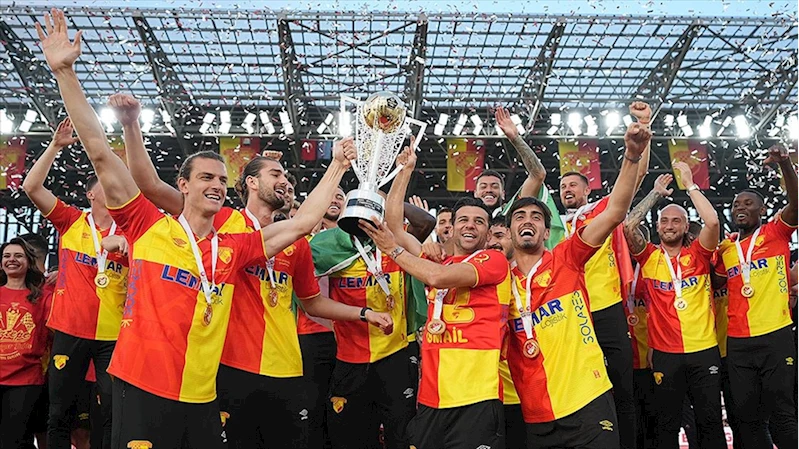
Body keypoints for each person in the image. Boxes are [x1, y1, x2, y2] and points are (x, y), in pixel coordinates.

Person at [35, 9, 356, 448]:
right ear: (182, 185)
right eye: (206, 177)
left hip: (202, 397)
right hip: (142, 385)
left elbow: (301, 224)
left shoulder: (234, 247)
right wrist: (65, 73)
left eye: (222, 179)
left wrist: (337, 166)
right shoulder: (147, 225)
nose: (217, 185)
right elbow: (100, 152)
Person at [109, 92, 392, 449]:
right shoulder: (221, 223)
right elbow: (150, 186)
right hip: (230, 368)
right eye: (276, 174)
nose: (286, 181)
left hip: (287, 367)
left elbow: (311, 300)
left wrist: (363, 313)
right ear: (251, 183)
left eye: (287, 176)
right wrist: (131, 125)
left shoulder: (296, 244)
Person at [503, 121, 649, 449]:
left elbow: (616, 210)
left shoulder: (567, 255)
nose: (527, 221)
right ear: (509, 233)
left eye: (536, 217)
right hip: (537, 412)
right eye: (519, 217)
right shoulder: (498, 281)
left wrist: (631, 155)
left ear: (547, 232)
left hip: (588, 395)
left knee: (623, 391)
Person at [360, 142, 512, 448]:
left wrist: (393, 250)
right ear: (451, 228)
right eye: (463, 220)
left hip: (476, 397)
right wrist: (405, 172)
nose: (470, 226)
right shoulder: (436, 259)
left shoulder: (493, 261)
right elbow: (395, 227)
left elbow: (436, 278)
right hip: (432, 398)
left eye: (479, 222)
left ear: (487, 233)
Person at [22, 115, 128, 449]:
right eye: (106, 182)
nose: (114, 187)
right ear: (91, 193)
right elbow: (31, 187)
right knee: (59, 413)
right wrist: (55, 146)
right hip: (70, 330)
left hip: (113, 335)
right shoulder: (70, 220)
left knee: (111, 414)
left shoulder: (135, 232)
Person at [623, 161, 725, 449]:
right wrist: (655, 193)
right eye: (664, 221)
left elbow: (713, 223)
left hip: (704, 350)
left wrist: (690, 185)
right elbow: (628, 225)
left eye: (676, 221)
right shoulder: (649, 257)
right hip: (665, 354)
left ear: (686, 226)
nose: (669, 225)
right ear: (657, 226)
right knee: (665, 426)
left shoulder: (699, 255)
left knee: (710, 423)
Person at [712, 144, 799, 449]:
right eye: (736, 203)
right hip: (738, 343)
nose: (740, 207)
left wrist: (785, 165)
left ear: (761, 210)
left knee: (782, 414)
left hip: (775, 335)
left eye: (748, 203)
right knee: (746, 417)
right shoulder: (726, 249)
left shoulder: (776, 232)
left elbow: (796, 202)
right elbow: (713, 282)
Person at [0, 237, 51, 449]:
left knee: (15, 442)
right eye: (7, 256)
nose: (12, 259)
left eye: (18, 256)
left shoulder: (43, 298)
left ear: (29, 262)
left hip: (25, 381)